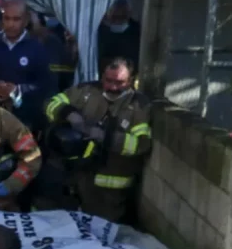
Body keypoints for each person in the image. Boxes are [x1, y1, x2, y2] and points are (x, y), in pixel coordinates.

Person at [42, 57, 151, 223]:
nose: (113, 87)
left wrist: (106, 137)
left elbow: (141, 144)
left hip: (109, 190)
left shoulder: (139, 105)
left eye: (120, 82)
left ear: (131, 81)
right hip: (73, 179)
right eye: (108, 80)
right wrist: (69, 114)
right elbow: (50, 103)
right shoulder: (86, 90)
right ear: (102, 77)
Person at [0, 0, 55, 132]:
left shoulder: (37, 49)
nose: (10, 24)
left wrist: (18, 90)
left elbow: (46, 85)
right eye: (7, 18)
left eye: (16, 19)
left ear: (25, 21)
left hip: (25, 122)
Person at [97, 0, 141, 70]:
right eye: (115, 17)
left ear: (129, 14)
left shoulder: (137, 31)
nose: (118, 21)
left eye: (122, 17)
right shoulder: (99, 30)